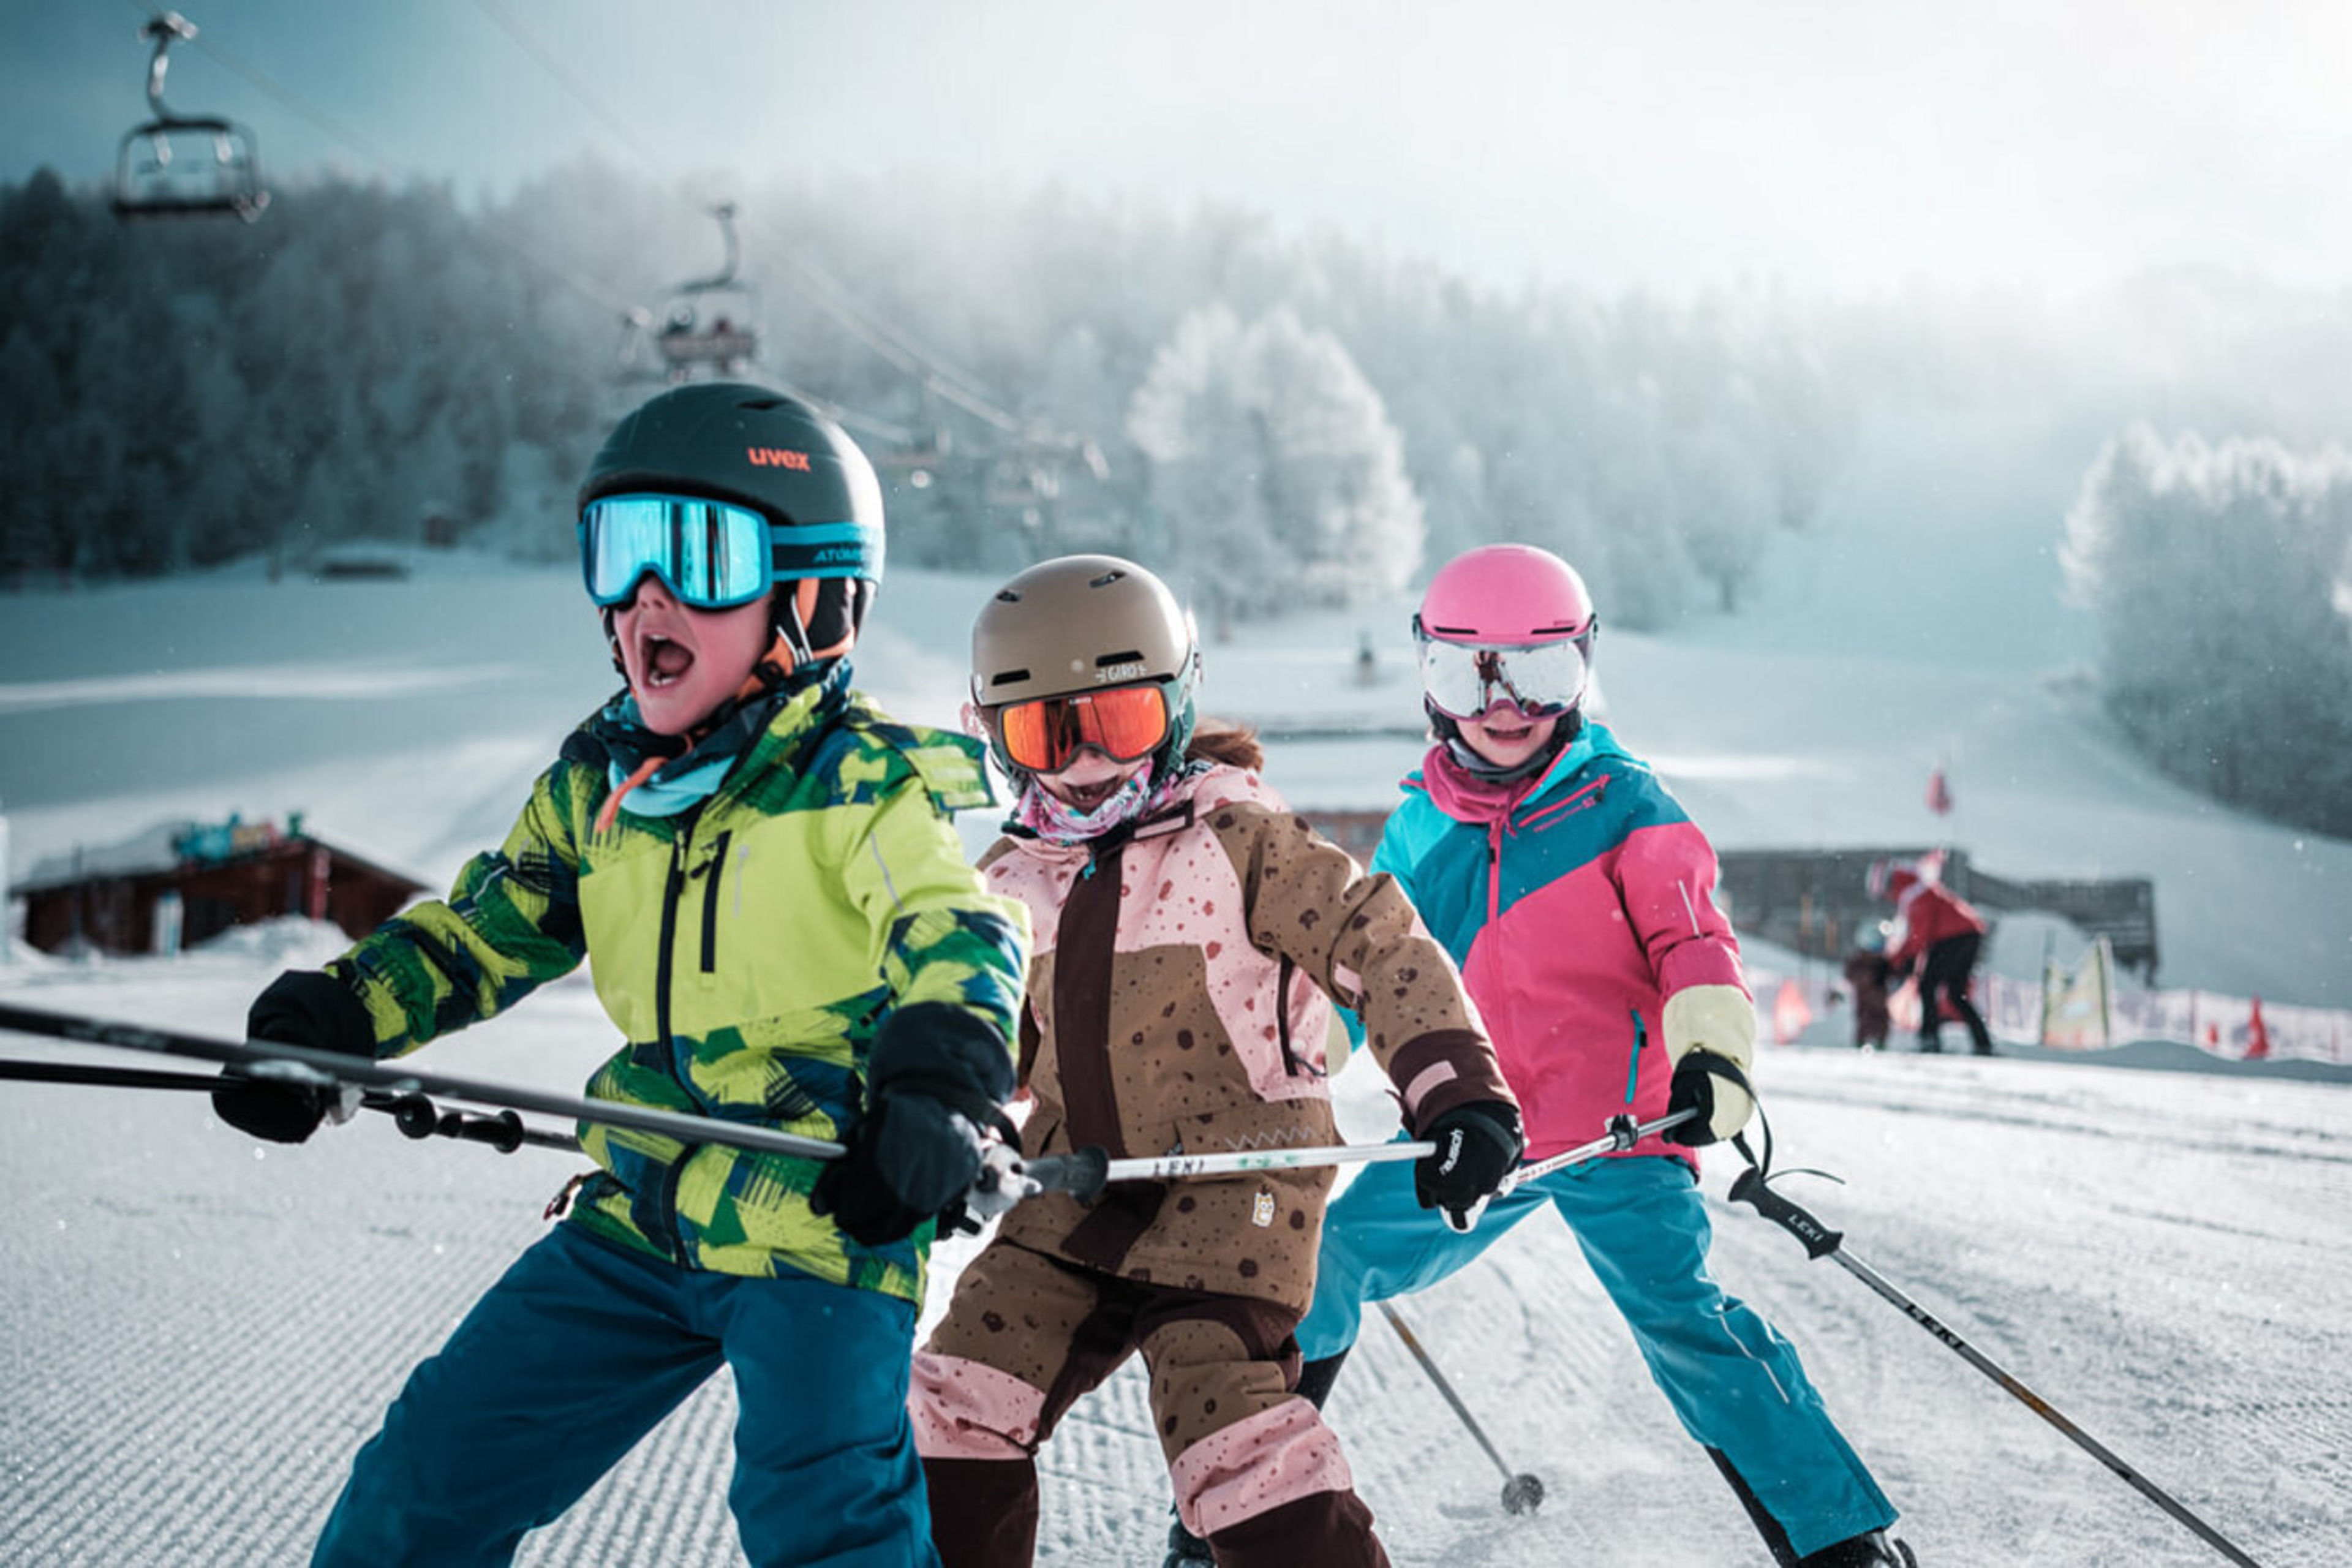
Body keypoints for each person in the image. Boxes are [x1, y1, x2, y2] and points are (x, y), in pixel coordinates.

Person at [210, 382, 1029, 1567]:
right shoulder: (602, 793)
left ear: (816, 601)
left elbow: (956, 933)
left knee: (823, 1518)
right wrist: (338, 1019)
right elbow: (482, 934)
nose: (648, 599)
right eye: (622, 553)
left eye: (695, 556)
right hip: (641, 1214)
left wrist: (941, 1088)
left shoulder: (862, 785)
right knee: (425, 1479)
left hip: (820, 1215)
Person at [1260, 544, 1915, 1568]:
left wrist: (1714, 1063)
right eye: (1467, 674)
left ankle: (1839, 1542)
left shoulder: (1626, 810)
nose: (1505, 704)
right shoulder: (1418, 831)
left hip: (1620, 1133)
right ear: (1429, 680)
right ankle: (1251, 1512)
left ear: (1581, 674)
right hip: (1476, 1134)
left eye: (1541, 671)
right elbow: (1362, 982)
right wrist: (1272, 1073)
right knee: (1323, 1265)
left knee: (1684, 1325)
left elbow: (1696, 948)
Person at [908, 554, 1523, 1568]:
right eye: (1044, 732)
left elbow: (1376, 942)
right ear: (997, 740)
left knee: (1225, 1427)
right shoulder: (1008, 884)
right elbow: (980, 1035)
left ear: (1178, 704)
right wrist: (941, 1126)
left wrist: (1455, 1090)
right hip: (1071, 1200)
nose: (1084, 762)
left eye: (1119, 722)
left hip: (1234, 1195)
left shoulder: (1239, 839)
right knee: (957, 1394)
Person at [1871, 860, 1994, 1055]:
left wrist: (1896, 962)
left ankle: (1929, 1040)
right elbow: (1918, 938)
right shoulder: (1918, 892)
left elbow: (1919, 936)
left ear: (1891, 885)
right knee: (1955, 993)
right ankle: (1982, 1042)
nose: (1888, 898)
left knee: (1928, 985)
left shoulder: (1917, 896)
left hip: (1955, 937)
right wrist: (1900, 961)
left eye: (1885, 893)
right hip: (1965, 935)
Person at [1842, 923, 1895, 1051]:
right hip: (1865, 997)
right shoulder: (1860, 960)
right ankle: (1862, 1042)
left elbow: (1893, 972)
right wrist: (1865, 979)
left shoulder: (1883, 961)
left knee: (1882, 1020)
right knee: (1865, 1020)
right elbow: (1850, 974)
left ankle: (1880, 1042)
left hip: (1880, 996)